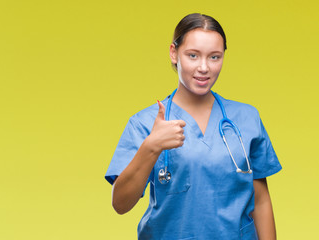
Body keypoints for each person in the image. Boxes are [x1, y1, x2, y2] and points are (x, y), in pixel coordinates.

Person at [105, 13, 282, 240]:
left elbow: (260, 198)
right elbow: (120, 204)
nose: (204, 67)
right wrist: (151, 147)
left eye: (214, 57)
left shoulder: (246, 118)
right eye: (193, 55)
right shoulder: (144, 123)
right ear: (174, 53)